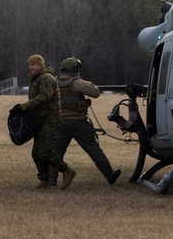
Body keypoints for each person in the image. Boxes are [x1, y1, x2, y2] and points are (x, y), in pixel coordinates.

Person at [48, 57, 121, 187]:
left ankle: (51, 181)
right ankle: (109, 175)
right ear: (75, 70)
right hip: (78, 122)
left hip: (60, 123)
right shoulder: (76, 82)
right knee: (93, 149)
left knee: (56, 153)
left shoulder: (54, 82)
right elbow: (95, 92)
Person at [18, 54, 76, 190]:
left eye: (33, 64)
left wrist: (27, 105)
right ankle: (44, 181)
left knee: (45, 151)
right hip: (39, 120)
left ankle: (67, 171)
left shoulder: (47, 78)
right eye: (29, 64)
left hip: (50, 120)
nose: (30, 67)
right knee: (36, 153)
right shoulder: (36, 78)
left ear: (40, 65)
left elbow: (45, 97)